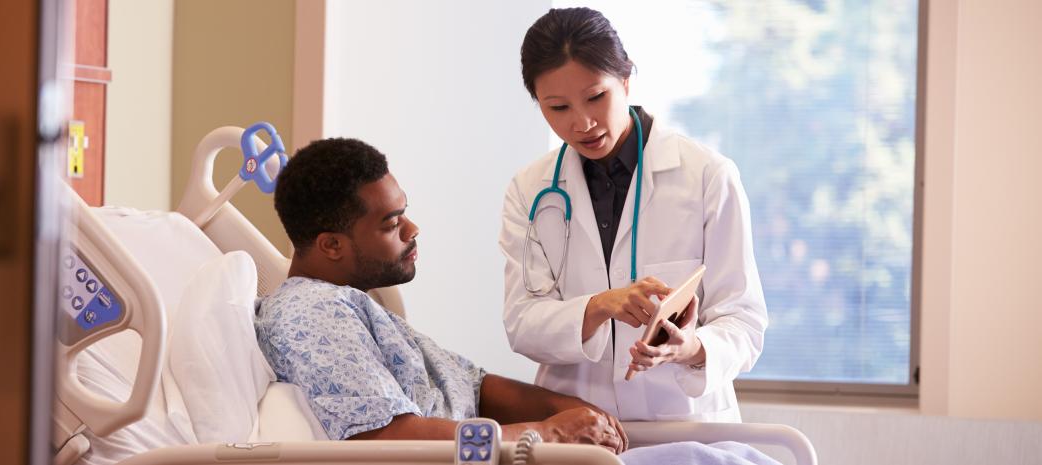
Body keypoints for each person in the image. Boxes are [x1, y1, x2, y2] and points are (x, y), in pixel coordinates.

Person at [254, 137, 627, 453]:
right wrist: (548, 434)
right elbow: (389, 440)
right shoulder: (313, 313)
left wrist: (571, 409)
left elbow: (473, 387)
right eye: (392, 223)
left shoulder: (354, 305)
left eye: (404, 212)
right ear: (331, 245)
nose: (412, 229)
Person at [499, 7, 768, 422]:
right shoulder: (530, 190)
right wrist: (599, 306)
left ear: (625, 79)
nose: (582, 123)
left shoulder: (707, 176)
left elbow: (743, 320)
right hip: (579, 425)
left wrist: (691, 348)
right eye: (558, 107)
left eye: (595, 97)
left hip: (684, 426)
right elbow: (522, 323)